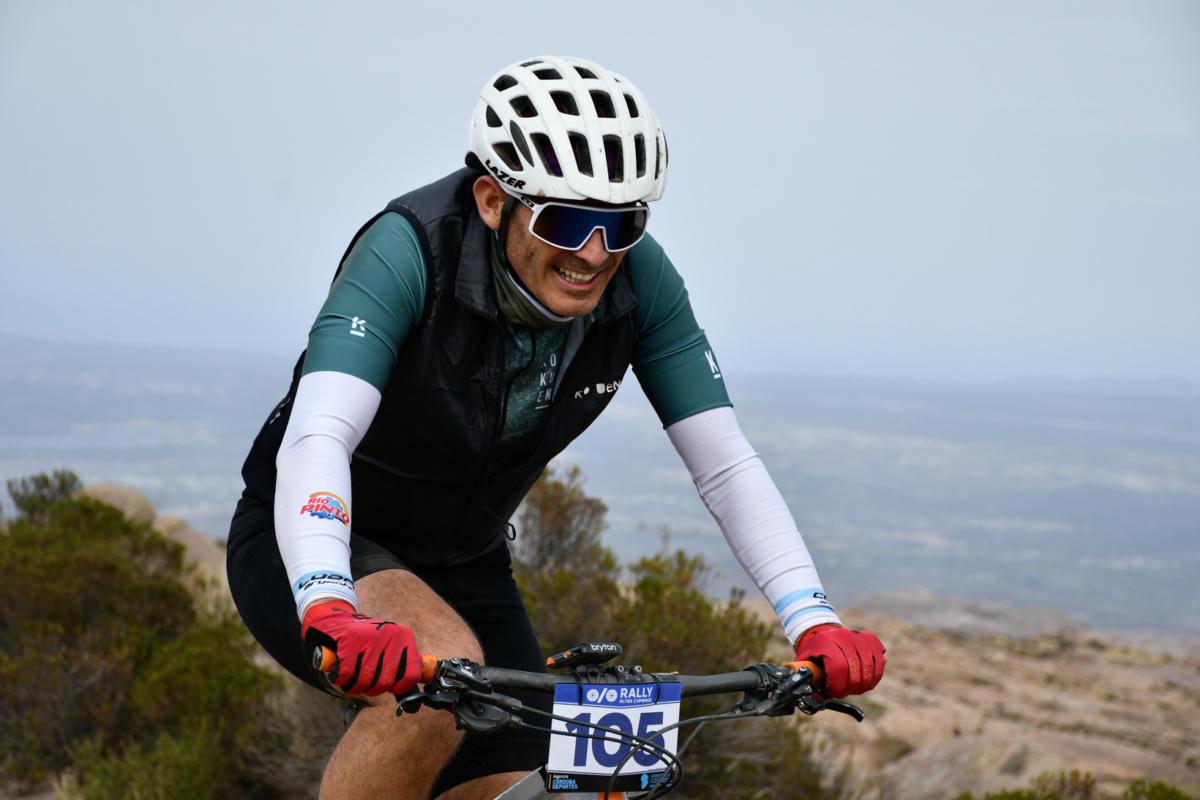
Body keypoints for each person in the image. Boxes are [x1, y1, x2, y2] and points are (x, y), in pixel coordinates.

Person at [226, 55, 886, 800]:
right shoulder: (410, 249)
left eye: (622, 223)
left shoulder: (641, 280)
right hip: (318, 536)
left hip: (467, 560)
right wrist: (328, 601)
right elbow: (319, 436)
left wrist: (813, 620)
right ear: (491, 200)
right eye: (566, 221)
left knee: (552, 787)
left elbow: (726, 465)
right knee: (430, 683)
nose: (595, 253)